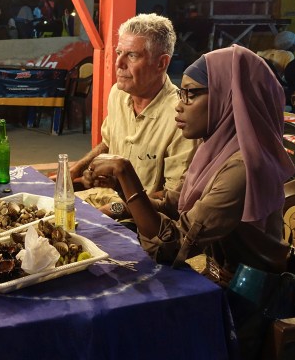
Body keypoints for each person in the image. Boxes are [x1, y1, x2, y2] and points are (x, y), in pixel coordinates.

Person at [89, 45, 294, 359]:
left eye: (190, 94)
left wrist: (128, 179)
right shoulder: (218, 150)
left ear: (229, 97)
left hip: (244, 304)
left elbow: (170, 247)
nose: (178, 108)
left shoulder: (243, 168)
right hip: (214, 281)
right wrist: (123, 197)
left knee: (121, 323)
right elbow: (176, 202)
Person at [54, 14, 198, 226]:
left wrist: (114, 209)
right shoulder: (118, 94)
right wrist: (74, 171)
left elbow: (172, 199)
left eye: (132, 56)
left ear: (161, 63)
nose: (118, 63)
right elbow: (108, 142)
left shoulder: (180, 117)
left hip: (141, 218)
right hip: (102, 198)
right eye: (119, 52)